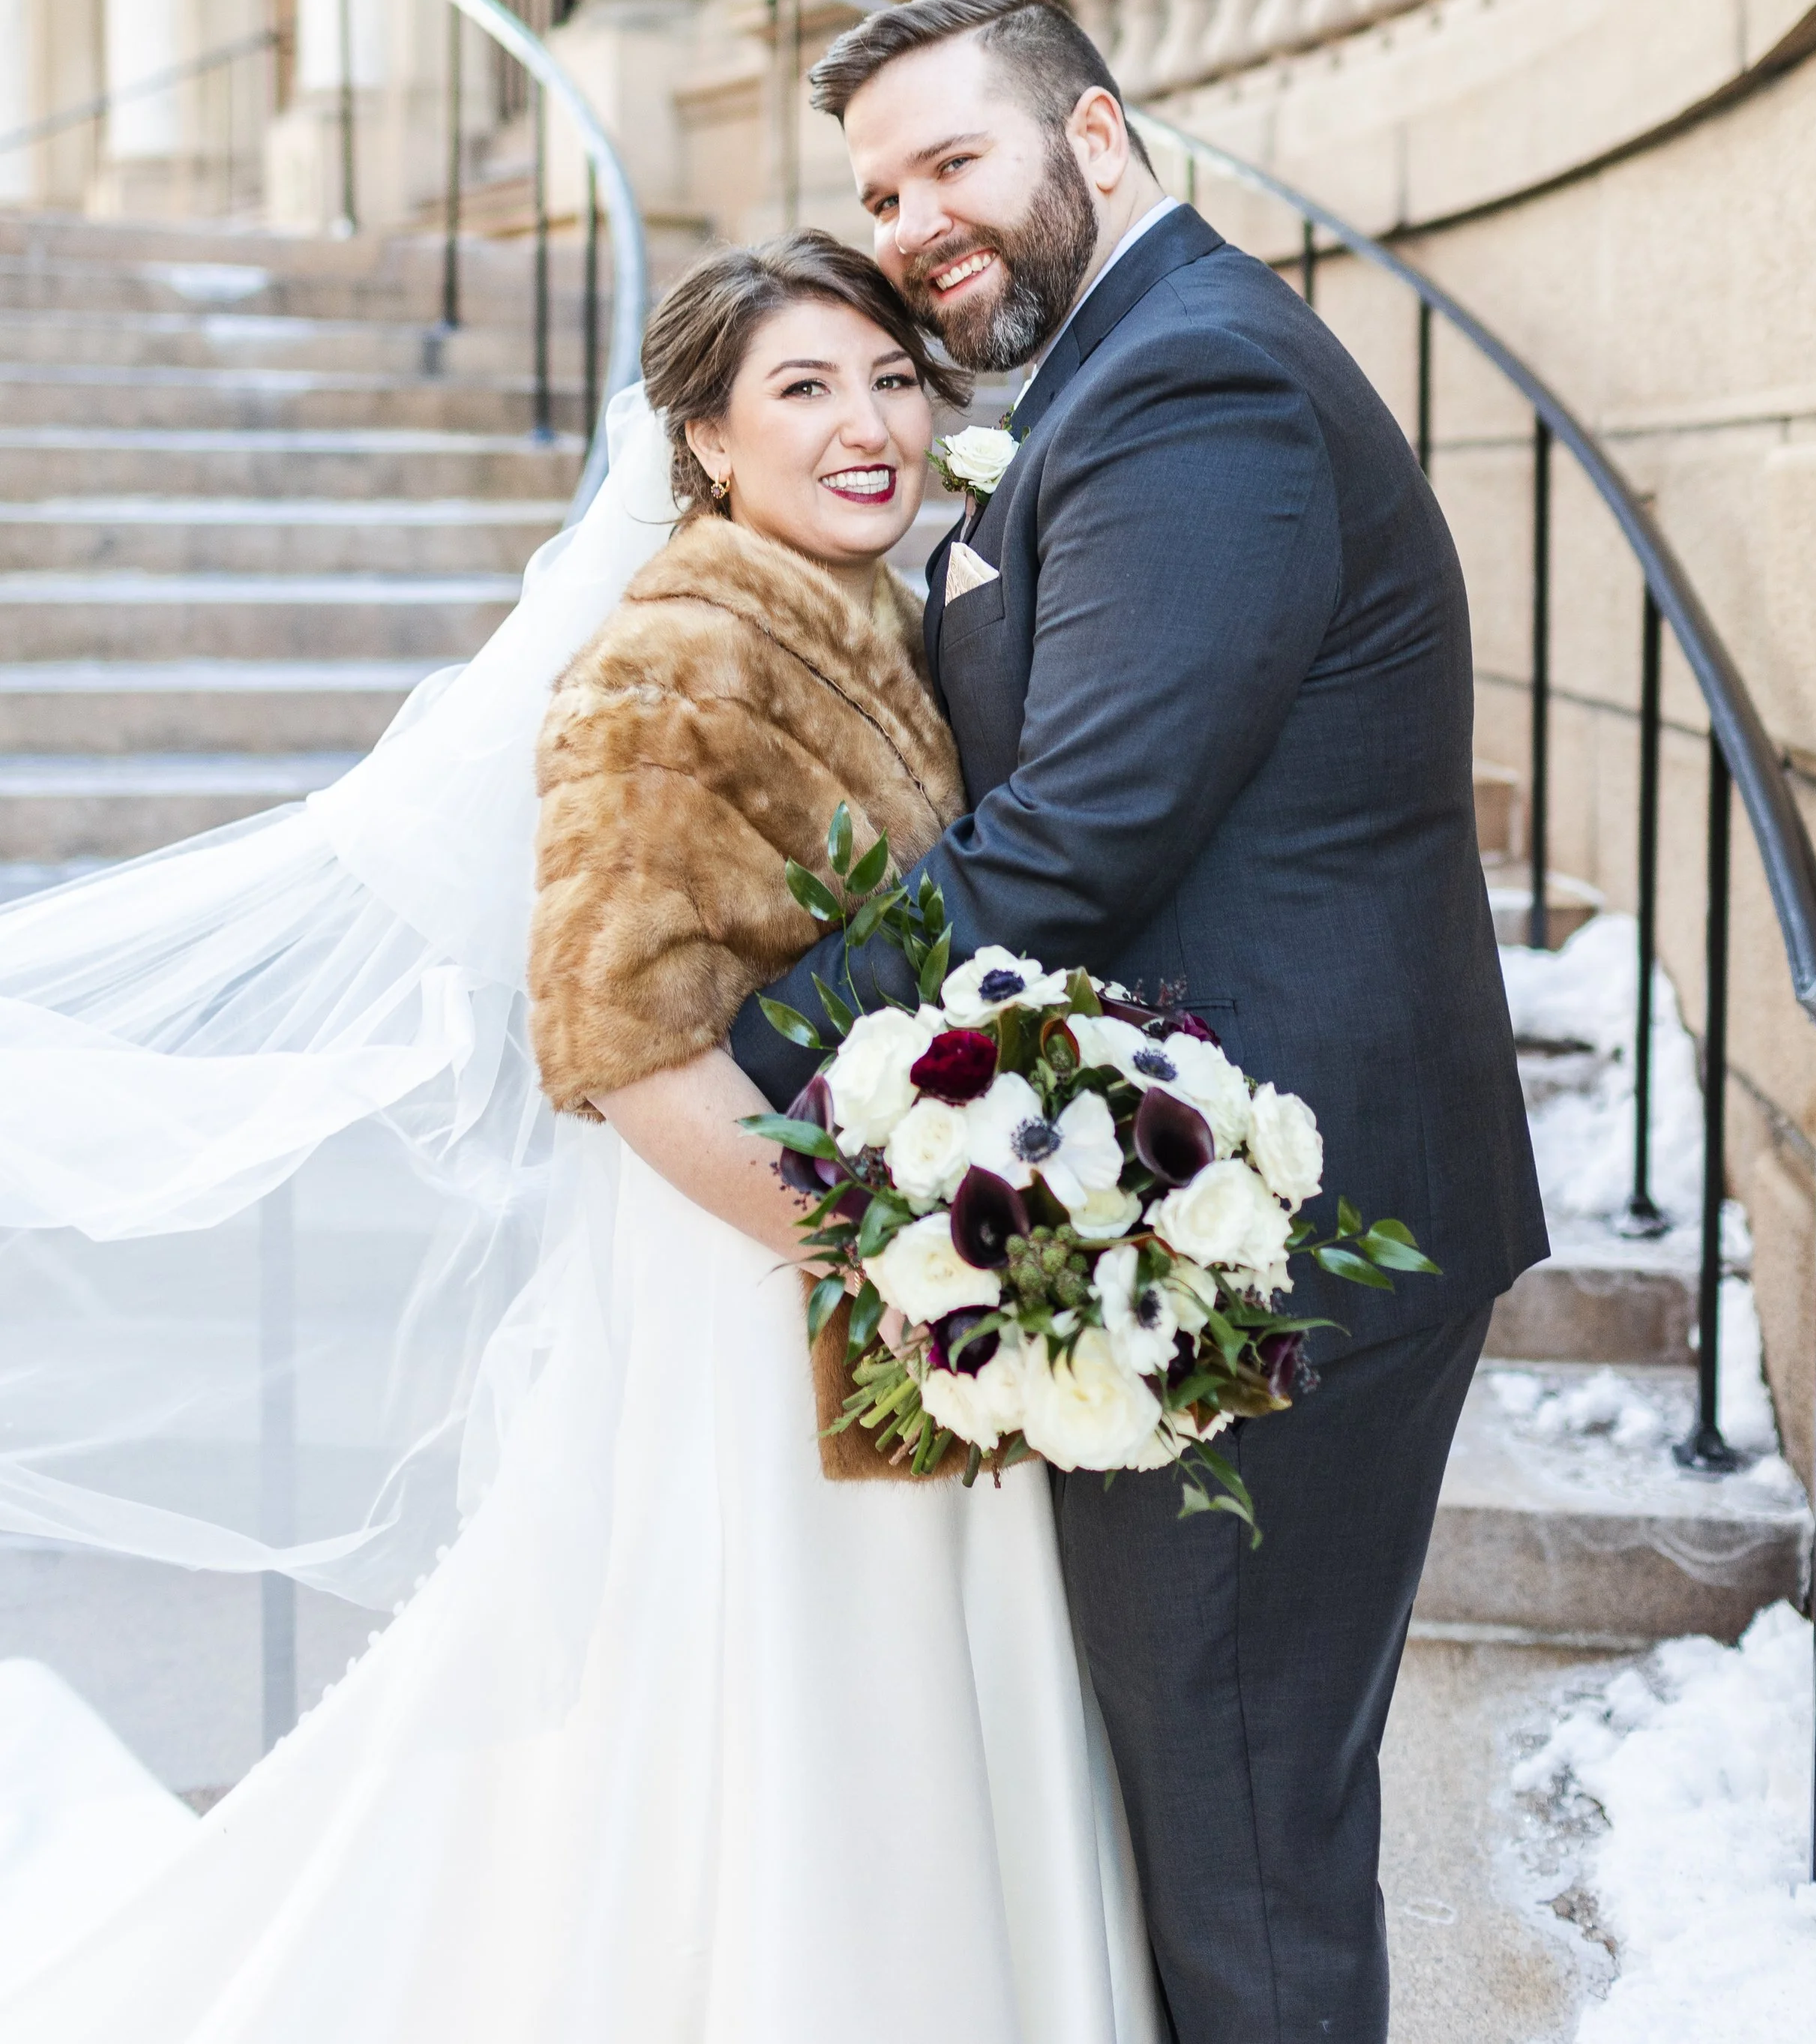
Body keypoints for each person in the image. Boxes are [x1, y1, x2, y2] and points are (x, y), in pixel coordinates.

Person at [0, 236, 1160, 2044]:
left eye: (890, 379)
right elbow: (623, 1056)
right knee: (805, 1711)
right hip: (766, 1282)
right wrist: (907, 1262)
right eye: (802, 388)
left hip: (887, 1274)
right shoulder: (668, 662)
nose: (865, 424)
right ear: (700, 438)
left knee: (910, 1704)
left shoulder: (889, 614)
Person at [730, 0, 1548, 2044]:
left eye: (954, 163)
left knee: (1243, 1832)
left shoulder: (1194, 390)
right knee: (1201, 1819)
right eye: (879, 190)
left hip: (1284, 1235)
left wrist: (737, 1046)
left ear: (1093, 136)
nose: (915, 221)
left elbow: (1076, 829)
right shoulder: (1110, 374)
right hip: (1165, 1209)